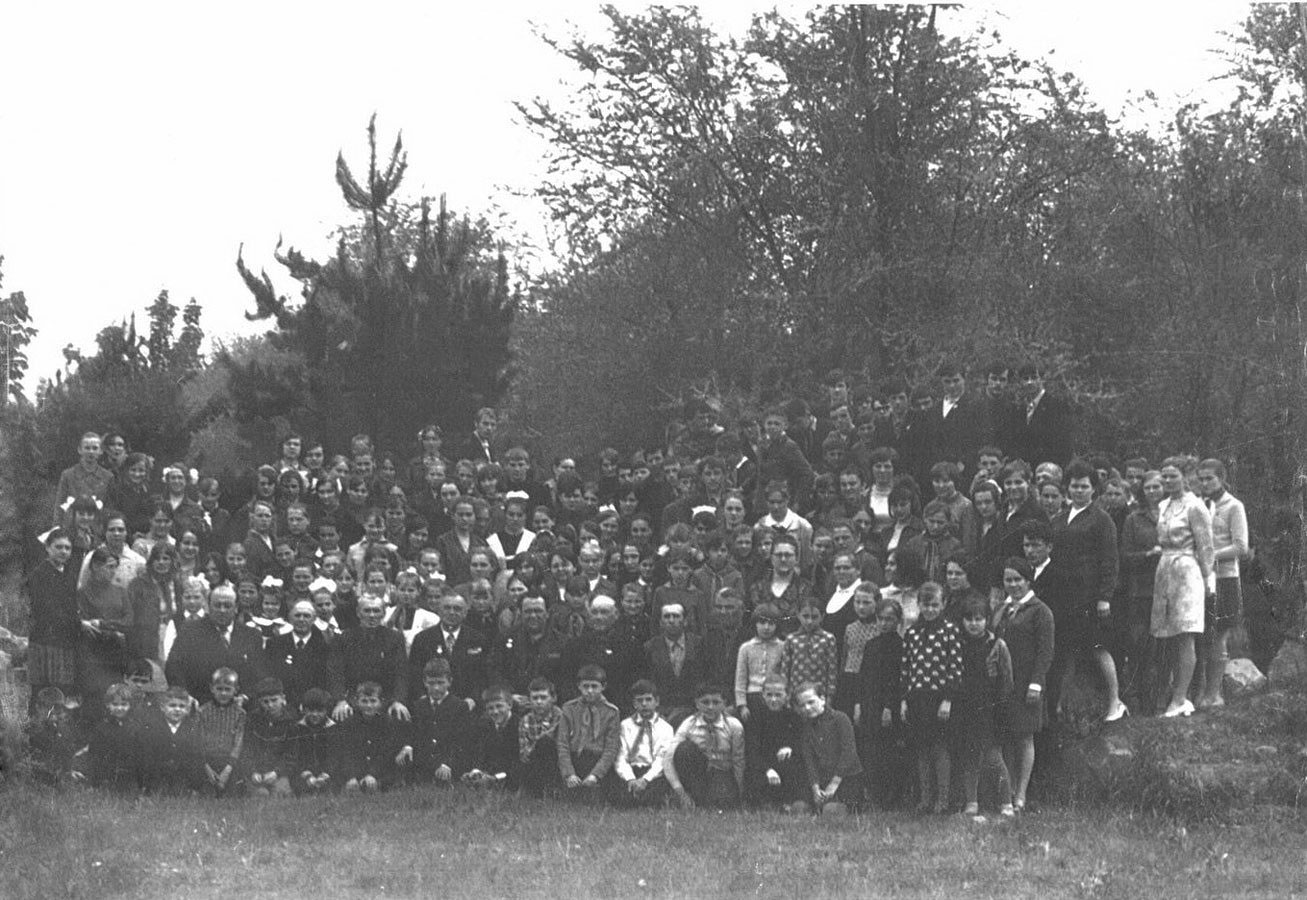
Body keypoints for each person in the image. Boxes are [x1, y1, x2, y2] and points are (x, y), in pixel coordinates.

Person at [1049, 460, 1126, 722]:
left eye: (1084, 486)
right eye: (1074, 486)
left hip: (1090, 596)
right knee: (1067, 650)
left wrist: (1104, 597)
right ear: (1067, 488)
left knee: (1097, 647)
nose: (1079, 491)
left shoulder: (1101, 519)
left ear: (1094, 489)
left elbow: (1110, 560)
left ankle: (1115, 702)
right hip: (1064, 595)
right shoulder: (1060, 518)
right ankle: (1061, 705)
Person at [1153, 456, 1215, 719]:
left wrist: (1208, 579)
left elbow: (1206, 547)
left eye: (1173, 476)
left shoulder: (1195, 506)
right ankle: (1170, 693)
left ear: (1185, 477)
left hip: (1188, 571)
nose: (1167, 480)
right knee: (1166, 633)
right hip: (1165, 569)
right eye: (1164, 476)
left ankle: (1180, 698)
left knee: (1185, 634)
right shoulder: (1163, 505)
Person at [992, 557, 1054, 812]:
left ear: (1028, 581)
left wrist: (1036, 683)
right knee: (1006, 735)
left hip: (1027, 682)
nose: (1013, 584)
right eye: (1008, 580)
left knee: (1025, 736)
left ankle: (1021, 794)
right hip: (1004, 683)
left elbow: (1045, 651)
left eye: (1018, 579)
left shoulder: (1040, 611)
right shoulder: (1002, 609)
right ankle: (1008, 790)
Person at [901, 581, 962, 814]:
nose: (930, 610)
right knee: (922, 748)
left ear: (943, 604)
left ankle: (943, 800)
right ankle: (925, 799)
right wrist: (904, 699)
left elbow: (955, 667)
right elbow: (906, 668)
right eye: (925, 605)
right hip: (917, 697)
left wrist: (948, 699)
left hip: (940, 698)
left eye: (935, 605)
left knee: (940, 748)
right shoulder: (913, 632)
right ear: (918, 604)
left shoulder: (950, 630)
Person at [953, 597, 1015, 819]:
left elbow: (1007, 680)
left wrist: (1002, 708)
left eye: (978, 619)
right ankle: (972, 802)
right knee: (970, 756)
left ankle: (1006, 802)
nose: (973, 624)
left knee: (994, 758)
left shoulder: (997, 645)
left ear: (987, 620)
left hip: (991, 708)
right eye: (969, 619)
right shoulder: (957, 645)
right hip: (966, 707)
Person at [1196, 459, 1248, 709]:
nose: (1205, 483)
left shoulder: (1233, 506)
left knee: (1218, 637)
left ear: (1221, 478)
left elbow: (1241, 546)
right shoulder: (1197, 505)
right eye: (1201, 479)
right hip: (1199, 578)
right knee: (1200, 636)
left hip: (1224, 579)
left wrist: (1209, 555)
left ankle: (1214, 695)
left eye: (1210, 478)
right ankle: (1198, 691)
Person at [166, 584, 266, 705]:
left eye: (227, 606)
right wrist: (186, 697)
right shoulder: (190, 631)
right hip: (199, 703)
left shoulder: (251, 635)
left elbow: (258, 673)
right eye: (217, 605)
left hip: (240, 705)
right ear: (208, 606)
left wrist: (246, 696)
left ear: (236, 608)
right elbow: (173, 667)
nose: (222, 610)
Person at [663, 682, 746, 810]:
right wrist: (680, 792)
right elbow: (668, 758)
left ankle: (706, 800)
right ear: (697, 703)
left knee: (722, 803)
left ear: (724, 704)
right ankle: (689, 796)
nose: (710, 707)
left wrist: (739, 792)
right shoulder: (689, 724)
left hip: (721, 772)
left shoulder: (734, 726)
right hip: (698, 774)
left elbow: (738, 761)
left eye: (716, 702)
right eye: (705, 702)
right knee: (684, 749)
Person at [1120, 471, 1163, 714]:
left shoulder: (1174, 513)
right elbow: (1125, 556)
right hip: (1142, 589)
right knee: (1140, 644)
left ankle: (1162, 698)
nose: (1153, 491)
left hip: (1170, 586)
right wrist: (1148, 555)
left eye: (1157, 486)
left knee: (1165, 645)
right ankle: (1139, 699)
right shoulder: (1133, 519)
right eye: (1148, 488)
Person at [856, 596, 905, 809]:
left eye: (889, 619)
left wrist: (888, 707)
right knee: (870, 750)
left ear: (898, 621)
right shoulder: (871, 645)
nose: (884, 623)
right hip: (869, 702)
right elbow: (863, 676)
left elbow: (896, 680)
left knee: (888, 751)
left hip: (888, 705)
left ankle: (890, 797)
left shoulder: (900, 646)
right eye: (881, 619)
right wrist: (858, 704)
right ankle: (873, 795)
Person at [327, 595, 409, 723]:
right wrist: (340, 700)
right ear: (358, 613)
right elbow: (336, 672)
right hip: (353, 698)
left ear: (383, 613)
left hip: (385, 698)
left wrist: (398, 701)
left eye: (376, 611)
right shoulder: (345, 638)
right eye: (367, 611)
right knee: (342, 716)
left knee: (398, 715)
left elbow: (401, 672)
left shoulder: (394, 638)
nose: (371, 615)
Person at [26, 528, 81, 708]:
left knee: (63, 689)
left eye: (67, 548)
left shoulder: (69, 575)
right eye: (59, 547)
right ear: (48, 548)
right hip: (45, 638)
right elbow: (45, 609)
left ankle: (60, 724)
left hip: (65, 638)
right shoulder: (39, 574)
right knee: (42, 690)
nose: (63, 551)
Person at [794, 681, 862, 815]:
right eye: (802, 705)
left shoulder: (840, 719)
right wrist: (815, 788)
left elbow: (849, 753)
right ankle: (817, 805)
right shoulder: (806, 726)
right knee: (798, 808)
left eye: (811, 702)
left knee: (830, 810)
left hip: (845, 779)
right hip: (822, 779)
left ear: (822, 699)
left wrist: (834, 784)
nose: (807, 708)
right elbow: (809, 759)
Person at [556, 664, 622, 803]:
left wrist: (595, 775)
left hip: (598, 760)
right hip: (575, 759)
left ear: (603, 687)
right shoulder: (569, 708)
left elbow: (611, 748)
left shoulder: (611, 712)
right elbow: (562, 743)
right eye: (585, 686)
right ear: (579, 686)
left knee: (598, 798)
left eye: (594, 686)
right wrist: (569, 773)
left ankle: (594, 786)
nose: (590, 691)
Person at [78, 547, 133, 706]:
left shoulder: (121, 591)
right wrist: (115, 631)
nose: (113, 571)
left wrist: (103, 624)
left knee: (117, 698)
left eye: (115, 567)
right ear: (96, 566)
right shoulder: (84, 593)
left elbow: (129, 621)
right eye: (109, 567)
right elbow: (88, 626)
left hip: (117, 653)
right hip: (94, 655)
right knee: (95, 700)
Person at [334, 681, 411, 792]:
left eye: (373, 701)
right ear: (357, 701)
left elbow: (386, 753)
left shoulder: (387, 722)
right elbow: (347, 753)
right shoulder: (349, 723)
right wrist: (352, 776)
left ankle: (380, 784)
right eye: (364, 701)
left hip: (380, 770)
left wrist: (372, 774)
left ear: (381, 702)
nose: (369, 706)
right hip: (358, 770)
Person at [612, 679, 673, 807]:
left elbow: (662, 758)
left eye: (648, 699)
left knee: (653, 798)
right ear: (634, 704)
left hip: (653, 774)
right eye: (640, 700)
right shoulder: (625, 725)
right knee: (621, 799)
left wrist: (645, 780)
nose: (644, 704)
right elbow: (621, 756)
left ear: (657, 702)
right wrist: (630, 779)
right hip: (631, 771)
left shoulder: (666, 728)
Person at [643, 602, 708, 721]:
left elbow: (704, 677)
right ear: (661, 622)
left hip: (693, 709)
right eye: (667, 617)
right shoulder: (650, 647)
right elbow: (649, 682)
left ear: (685, 621)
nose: (671, 620)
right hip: (662, 710)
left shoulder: (699, 644)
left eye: (676, 616)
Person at [139, 685, 205, 795]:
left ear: (188, 709)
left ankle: (190, 788)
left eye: (182, 706)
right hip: (159, 774)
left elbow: (196, 757)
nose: (177, 709)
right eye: (172, 705)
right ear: (163, 707)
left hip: (182, 774)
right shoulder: (155, 727)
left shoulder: (191, 728)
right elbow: (148, 756)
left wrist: (195, 786)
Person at [79, 681, 142, 791]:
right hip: (107, 772)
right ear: (108, 705)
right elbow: (95, 755)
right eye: (115, 704)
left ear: (130, 705)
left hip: (129, 772)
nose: (119, 708)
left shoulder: (135, 726)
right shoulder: (102, 728)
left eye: (124, 704)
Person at [194, 667, 246, 797]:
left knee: (232, 795)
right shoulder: (202, 711)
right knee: (207, 795)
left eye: (228, 689)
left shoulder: (240, 714)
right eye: (219, 689)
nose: (223, 693)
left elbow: (238, 743)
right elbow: (198, 740)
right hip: (207, 762)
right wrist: (206, 767)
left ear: (236, 690)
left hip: (230, 763)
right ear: (212, 688)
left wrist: (228, 769)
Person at [777, 601, 839, 704]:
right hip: (795, 692)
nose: (809, 621)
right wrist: (785, 692)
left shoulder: (828, 639)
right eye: (805, 616)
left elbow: (832, 670)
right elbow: (785, 669)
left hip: (819, 693)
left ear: (822, 617)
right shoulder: (791, 639)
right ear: (798, 615)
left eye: (814, 617)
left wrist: (830, 695)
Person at [462, 686, 520, 789]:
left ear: (510, 705)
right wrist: (476, 771)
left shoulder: (519, 726)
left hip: (512, 776)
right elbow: (480, 753)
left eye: (499, 706)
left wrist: (495, 778)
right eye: (490, 708)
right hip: (490, 773)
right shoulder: (485, 725)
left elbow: (517, 763)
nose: (495, 712)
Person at [54, 432, 115, 524]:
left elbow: (110, 507)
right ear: (80, 450)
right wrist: (57, 526)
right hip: (73, 524)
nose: (91, 451)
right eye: (87, 448)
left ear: (101, 451)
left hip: (98, 524)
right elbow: (60, 504)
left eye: (95, 448)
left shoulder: (108, 477)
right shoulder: (68, 475)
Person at [517, 676, 563, 797]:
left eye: (543, 697)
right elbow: (524, 753)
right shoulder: (526, 720)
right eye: (535, 698)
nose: (539, 702)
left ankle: (553, 788)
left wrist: (541, 741)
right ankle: (532, 789)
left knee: (546, 742)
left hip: (557, 763)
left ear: (553, 698)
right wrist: (537, 745)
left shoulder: (561, 717)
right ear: (529, 700)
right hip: (534, 763)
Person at [292, 688, 337, 795]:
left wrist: (326, 773)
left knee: (332, 787)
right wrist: (307, 775)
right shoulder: (298, 728)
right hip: (304, 773)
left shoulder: (333, 729)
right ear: (304, 710)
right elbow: (296, 755)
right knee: (298, 787)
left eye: (320, 711)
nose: (315, 714)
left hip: (327, 773)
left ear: (326, 711)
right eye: (310, 710)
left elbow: (334, 756)